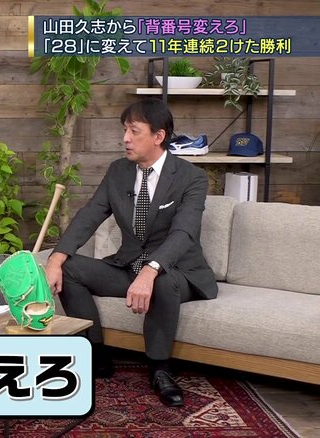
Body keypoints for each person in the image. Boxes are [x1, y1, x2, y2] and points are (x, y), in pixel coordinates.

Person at [44, 98, 217, 408]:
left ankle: (160, 369)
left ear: (158, 136)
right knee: (70, 268)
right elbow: (90, 215)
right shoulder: (118, 171)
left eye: (134, 131)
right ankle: (95, 354)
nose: (125, 138)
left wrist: (151, 270)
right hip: (129, 266)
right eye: (124, 130)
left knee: (162, 280)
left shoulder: (190, 177)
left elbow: (184, 232)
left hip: (178, 272)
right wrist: (56, 258)